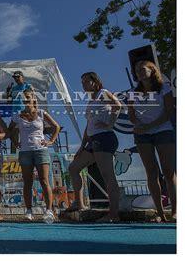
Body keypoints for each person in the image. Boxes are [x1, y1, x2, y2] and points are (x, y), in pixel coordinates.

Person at [67, 72, 122, 223]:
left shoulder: (103, 93)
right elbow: (88, 126)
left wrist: (109, 124)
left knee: (107, 174)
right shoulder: (91, 101)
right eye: (82, 82)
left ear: (95, 81)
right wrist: (82, 146)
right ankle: (79, 203)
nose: (84, 85)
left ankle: (114, 213)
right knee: (73, 168)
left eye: (86, 81)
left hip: (104, 138)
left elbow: (117, 105)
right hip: (92, 141)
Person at [128, 60, 176, 222]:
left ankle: (175, 211)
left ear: (152, 70)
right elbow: (131, 113)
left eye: (142, 69)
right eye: (136, 70)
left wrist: (151, 125)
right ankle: (160, 213)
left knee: (169, 172)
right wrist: (138, 125)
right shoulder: (133, 91)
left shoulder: (164, 88)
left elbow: (170, 110)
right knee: (151, 172)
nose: (139, 72)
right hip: (142, 135)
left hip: (163, 131)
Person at [8, 89, 60, 222]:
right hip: (25, 152)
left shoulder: (42, 113)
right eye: (24, 99)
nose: (26, 101)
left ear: (33, 99)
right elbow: (10, 131)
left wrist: (51, 141)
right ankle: (29, 211)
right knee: (27, 182)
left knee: (44, 180)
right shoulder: (18, 115)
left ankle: (48, 211)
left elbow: (56, 126)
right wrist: (15, 142)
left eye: (28, 99)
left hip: (41, 150)